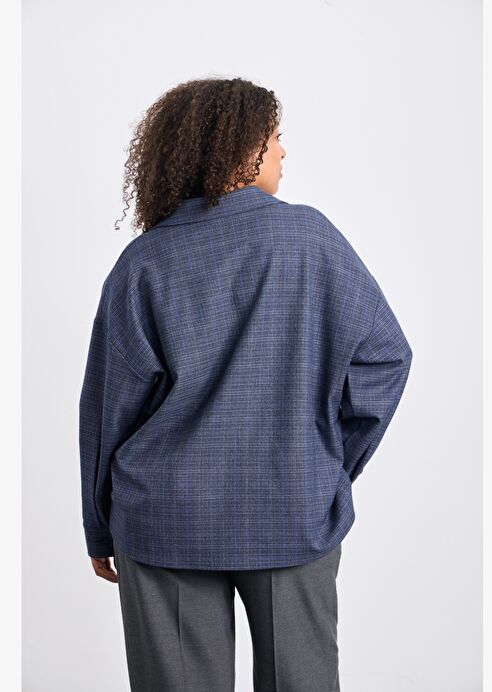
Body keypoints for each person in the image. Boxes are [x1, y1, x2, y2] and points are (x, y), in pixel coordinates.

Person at [79, 76, 413, 692]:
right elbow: (385, 360)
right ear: (235, 148)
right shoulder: (311, 240)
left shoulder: (145, 262)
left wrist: (98, 524)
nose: (284, 150)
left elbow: (108, 409)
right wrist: (326, 464)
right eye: (273, 137)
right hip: (292, 509)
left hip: (165, 518)